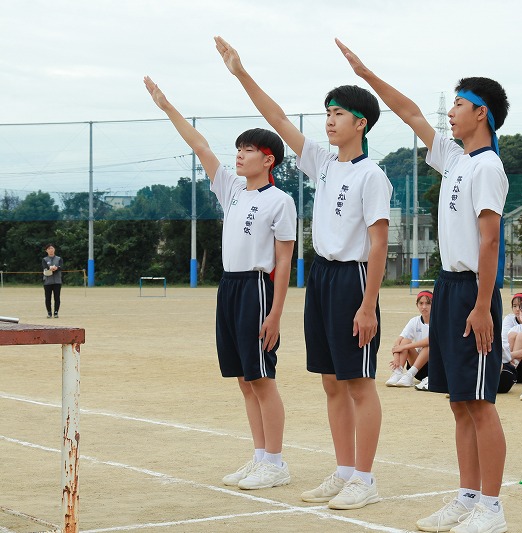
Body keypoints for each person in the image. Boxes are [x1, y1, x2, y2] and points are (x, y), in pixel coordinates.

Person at [337, 39, 511, 533]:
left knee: (481, 404)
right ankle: (467, 496)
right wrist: (366, 74)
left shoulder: (488, 167)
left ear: (481, 113)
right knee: (459, 404)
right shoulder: (455, 159)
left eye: (458, 104)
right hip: (449, 286)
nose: (450, 112)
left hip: (474, 292)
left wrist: (482, 305)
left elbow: (491, 240)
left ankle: (492, 508)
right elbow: (410, 112)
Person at [215, 37, 390, 510]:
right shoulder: (323, 162)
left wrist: (368, 306)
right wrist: (240, 72)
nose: (329, 120)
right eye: (326, 112)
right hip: (322, 278)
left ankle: (365, 479)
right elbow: (275, 119)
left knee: (359, 382)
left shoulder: (372, 175)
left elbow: (378, 243)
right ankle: (345, 471)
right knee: (331, 382)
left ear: (361, 123)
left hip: (353, 279)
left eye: (338, 113)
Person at [144, 77, 296, 490]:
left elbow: (284, 261)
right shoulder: (231, 188)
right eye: (238, 149)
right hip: (228, 287)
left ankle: (276, 463)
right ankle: (259, 456)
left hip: (257, 289)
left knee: (262, 378)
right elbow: (200, 146)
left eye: (248, 150)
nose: (239, 155)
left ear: (268, 159)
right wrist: (167, 106)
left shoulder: (280, 201)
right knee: (245, 380)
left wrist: (275, 314)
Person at [386, 290, 432, 389]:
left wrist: (404, 347)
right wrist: (396, 359)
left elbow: (430, 340)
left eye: (428, 303)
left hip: (434, 369)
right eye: (421, 303)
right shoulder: (414, 321)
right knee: (405, 341)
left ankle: (409, 374)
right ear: (417, 305)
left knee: (429, 346)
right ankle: (398, 372)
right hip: (418, 368)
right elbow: (398, 341)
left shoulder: (438, 321)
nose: (424, 307)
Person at [42, 244, 64, 318]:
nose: (51, 250)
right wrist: (50, 268)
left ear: (54, 249)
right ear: (46, 250)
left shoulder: (59, 259)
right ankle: (49, 312)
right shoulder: (45, 259)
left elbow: (61, 267)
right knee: (48, 298)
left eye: (52, 248)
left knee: (57, 297)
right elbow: (45, 267)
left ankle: (56, 312)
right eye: (49, 249)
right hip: (47, 281)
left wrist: (56, 268)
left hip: (57, 281)